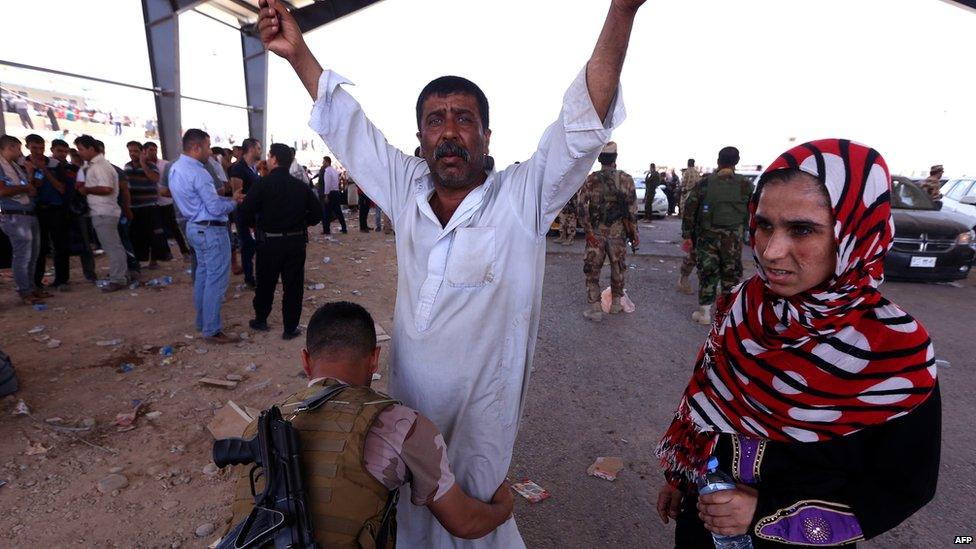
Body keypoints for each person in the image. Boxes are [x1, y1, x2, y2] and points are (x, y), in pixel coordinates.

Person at [258, 0, 639, 545]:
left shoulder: (523, 197)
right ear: (421, 137)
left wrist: (621, 11)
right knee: (410, 510)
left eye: (465, 119)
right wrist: (298, 54)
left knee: (472, 517)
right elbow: (350, 130)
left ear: (487, 136)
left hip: (484, 415)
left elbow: (581, 125)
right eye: (436, 120)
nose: (450, 131)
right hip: (409, 405)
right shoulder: (406, 187)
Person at [656, 139, 941, 547]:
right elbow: (706, 397)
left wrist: (765, 512)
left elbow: (904, 486)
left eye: (802, 229)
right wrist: (681, 477)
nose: (771, 251)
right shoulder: (741, 305)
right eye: (764, 224)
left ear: (854, 233)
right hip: (703, 526)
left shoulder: (896, 350)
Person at [224, 301, 514, 546]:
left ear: (305, 360)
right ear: (375, 359)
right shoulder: (400, 425)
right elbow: (464, 523)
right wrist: (503, 508)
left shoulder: (262, 428)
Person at [167, 129, 244, 344]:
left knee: (203, 276)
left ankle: (203, 322)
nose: (210, 152)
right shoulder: (199, 172)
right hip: (211, 229)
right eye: (208, 147)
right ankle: (211, 329)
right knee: (216, 280)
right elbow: (214, 207)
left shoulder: (176, 168)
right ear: (196, 147)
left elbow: (200, 201)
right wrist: (234, 202)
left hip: (194, 226)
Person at [239, 143, 321, 340]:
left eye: (269, 155)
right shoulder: (301, 187)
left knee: (265, 282)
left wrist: (255, 225)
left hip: (268, 243)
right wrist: (301, 224)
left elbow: (245, 212)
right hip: (295, 243)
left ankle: (261, 320)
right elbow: (317, 213)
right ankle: (290, 328)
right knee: (293, 286)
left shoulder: (262, 184)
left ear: (274, 159)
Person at [681, 146, 753, 325]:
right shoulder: (745, 184)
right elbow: (755, 210)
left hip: (708, 237)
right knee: (731, 272)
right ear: (736, 162)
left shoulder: (706, 182)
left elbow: (690, 208)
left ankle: (704, 313)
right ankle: (727, 313)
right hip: (733, 239)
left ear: (718, 161)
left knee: (708, 272)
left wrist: (687, 234)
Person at [579, 142, 638, 322]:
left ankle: (595, 308)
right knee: (618, 267)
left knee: (592, 270)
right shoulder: (626, 179)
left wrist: (588, 231)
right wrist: (634, 234)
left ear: (599, 159)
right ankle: (616, 304)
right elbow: (632, 211)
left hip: (596, 232)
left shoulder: (591, 179)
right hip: (618, 232)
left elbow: (582, 207)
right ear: (615, 158)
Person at [74, 135, 128, 292]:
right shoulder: (94, 165)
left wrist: (87, 190)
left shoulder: (100, 166)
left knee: (112, 246)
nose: (80, 153)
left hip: (104, 211)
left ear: (91, 148)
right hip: (103, 211)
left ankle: (118, 278)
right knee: (113, 245)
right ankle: (120, 275)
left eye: (81, 149)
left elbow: (106, 189)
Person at [0, 135, 45, 304]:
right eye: (18, 148)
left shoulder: (15, 167)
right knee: (22, 256)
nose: (20, 152)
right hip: (15, 215)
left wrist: (30, 176)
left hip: (27, 212)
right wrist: (26, 187)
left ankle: (32, 287)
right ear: (10, 147)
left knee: (32, 254)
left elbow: (30, 187)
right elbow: (2, 191)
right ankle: (24, 291)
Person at [23, 134, 70, 290]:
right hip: (36, 210)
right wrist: (32, 173)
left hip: (56, 209)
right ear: (27, 147)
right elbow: (31, 191)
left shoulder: (55, 164)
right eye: (34, 148)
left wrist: (45, 170)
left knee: (60, 245)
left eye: (41, 148)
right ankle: (36, 281)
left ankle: (62, 280)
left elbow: (62, 188)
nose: (38, 151)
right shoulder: (23, 164)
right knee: (39, 247)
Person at [124, 141, 170, 269]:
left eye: (135, 151)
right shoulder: (127, 166)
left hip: (149, 205)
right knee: (137, 235)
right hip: (134, 206)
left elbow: (154, 178)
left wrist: (143, 163)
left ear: (142, 152)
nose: (132, 154)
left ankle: (154, 261)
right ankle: (139, 261)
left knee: (153, 235)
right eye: (130, 151)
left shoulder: (150, 165)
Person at [228, 137, 262, 288]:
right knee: (248, 245)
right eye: (259, 148)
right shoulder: (238, 168)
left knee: (256, 245)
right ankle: (249, 277)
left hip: (255, 214)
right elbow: (237, 195)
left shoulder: (253, 167)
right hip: (244, 215)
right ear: (251, 148)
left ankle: (254, 274)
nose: (260, 151)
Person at [677, 158, 702, 295]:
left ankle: (684, 277)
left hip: (688, 196)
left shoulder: (687, 173)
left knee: (694, 254)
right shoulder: (697, 173)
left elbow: (682, 184)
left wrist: (686, 233)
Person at [318, 156, 347, 234]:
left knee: (326, 212)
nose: (322, 163)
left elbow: (327, 184)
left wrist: (326, 195)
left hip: (330, 193)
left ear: (327, 162)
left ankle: (326, 230)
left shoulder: (327, 171)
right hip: (336, 192)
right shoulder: (334, 171)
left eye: (323, 162)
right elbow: (337, 182)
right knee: (338, 211)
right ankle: (344, 228)